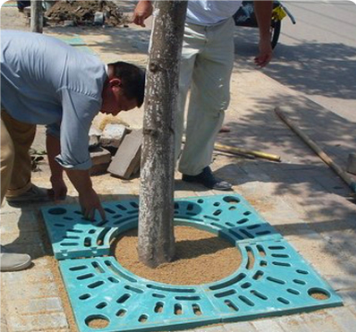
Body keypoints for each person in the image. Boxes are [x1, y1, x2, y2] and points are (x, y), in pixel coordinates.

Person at [1, 30, 145, 271]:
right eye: (120, 105)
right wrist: (86, 191)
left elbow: (58, 132)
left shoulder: (89, 70)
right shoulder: (86, 91)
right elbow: (73, 152)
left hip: (6, 80)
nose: (115, 113)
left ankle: (19, 190)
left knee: (21, 127)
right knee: (2, 155)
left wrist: (56, 178)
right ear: (115, 84)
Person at [133, 0, 273, 190]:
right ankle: (161, 169)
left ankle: (195, 168)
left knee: (213, 104)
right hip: (178, 22)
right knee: (168, 101)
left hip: (221, 29)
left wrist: (265, 37)